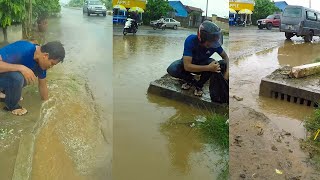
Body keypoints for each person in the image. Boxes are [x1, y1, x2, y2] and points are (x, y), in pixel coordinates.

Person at [0, 40, 65, 115]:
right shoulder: (24, 49)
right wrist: (21, 68)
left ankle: (6, 94)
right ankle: (12, 106)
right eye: (52, 64)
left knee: (28, 76)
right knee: (18, 77)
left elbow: (42, 85)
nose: (51, 67)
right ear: (45, 56)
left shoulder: (40, 64)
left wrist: (47, 105)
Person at [167, 21, 229, 97]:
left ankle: (199, 85)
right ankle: (190, 80)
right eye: (210, 41)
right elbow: (187, 66)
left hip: (203, 64)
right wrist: (209, 68)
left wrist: (226, 73)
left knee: (215, 63)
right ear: (202, 38)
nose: (212, 44)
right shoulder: (191, 40)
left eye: (214, 40)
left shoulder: (215, 44)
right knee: (172, 68)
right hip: (189, 65)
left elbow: (226, 57)